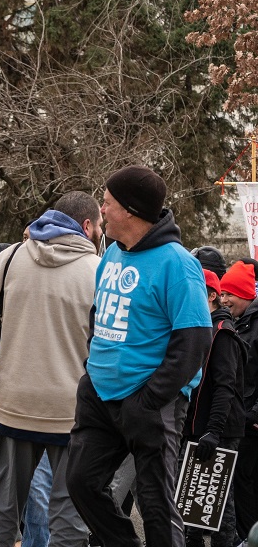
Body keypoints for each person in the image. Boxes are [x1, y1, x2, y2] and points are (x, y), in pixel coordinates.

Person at [67, 165, 212, 547]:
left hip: (149, 403)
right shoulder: (113, 252)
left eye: (108, 202)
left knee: (156, 506)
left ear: (130, 210)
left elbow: (195, 341)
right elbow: (100, 314)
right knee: (80, 482)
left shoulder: (178, 264)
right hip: (99, 395)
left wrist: (148, 400)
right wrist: (91, 370)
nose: (101, 209)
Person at [0, 192, 101, 547]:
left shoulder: (10, 257)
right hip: (72, 409)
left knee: (1, 508)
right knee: (68, 514)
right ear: (87, 226)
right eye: (100, 225)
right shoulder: (99, 270)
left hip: (12, 402)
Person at [182, 266, 244, 547]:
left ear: (210, 296)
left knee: (218, 504)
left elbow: (225, 387)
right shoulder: (204, 329)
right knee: (193, 504)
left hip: (217, 431)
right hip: (200, 429)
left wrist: (213, 431)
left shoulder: (223, 333)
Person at [217, 258, 258, 536]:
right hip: (241, 421)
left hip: (252, 424)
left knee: (247, 487)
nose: (224, 299)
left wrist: (255, 414)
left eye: (229, 293)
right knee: (241, 487)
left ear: (245, 294)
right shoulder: (240, 322)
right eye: (222, 292)